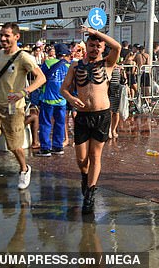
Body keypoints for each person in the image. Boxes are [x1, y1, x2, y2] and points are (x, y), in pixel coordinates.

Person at [0, 22, 46, 197]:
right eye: (1, 35)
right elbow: (2, 77)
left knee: (15, 146)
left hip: (14, 109)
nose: (3, 38)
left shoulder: (24, 57)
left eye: (7, 35)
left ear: (16, 36)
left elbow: (41, 78)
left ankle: (24, 168)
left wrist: (23, 92)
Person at [60, 26, 121, 214]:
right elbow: (63, 89)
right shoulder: (75, 65)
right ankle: (85, 176)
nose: (95, 48)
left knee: (95, 156)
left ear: (103, 48)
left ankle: (90, 194)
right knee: (81, 159)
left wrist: (96, 32)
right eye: (92, 44)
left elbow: (117, 47)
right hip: (83, 116)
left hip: (102, 115)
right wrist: (71, 98)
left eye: (98, 46)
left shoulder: (107, 64)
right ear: (86, 45)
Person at [35, 43, 71, 157]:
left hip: (48, 99)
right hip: (62, 100)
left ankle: (45, 148)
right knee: (60, 123)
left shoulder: (48, 63)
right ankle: (58, 146)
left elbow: (40, 77)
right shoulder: (69, 66)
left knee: (45, 124)